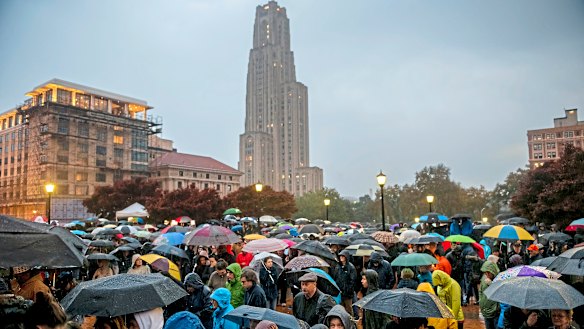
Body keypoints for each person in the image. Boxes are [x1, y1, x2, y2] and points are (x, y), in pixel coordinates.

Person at [331, 250, 358, 316]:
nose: (341, 258)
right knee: (340, 308)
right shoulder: (338, 267)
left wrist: (347, 290)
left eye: (343, 256)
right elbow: (336, 277)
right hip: (339, 292)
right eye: (340, 256)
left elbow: (352, 281)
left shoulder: (351, 267)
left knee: (348, 309)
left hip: (347, 293)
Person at [479, 257, 500, 329]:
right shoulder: (484, 278)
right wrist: (480, 302)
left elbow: (500, 294)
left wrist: (491, 284)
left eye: (488, 272)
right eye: (485, 273)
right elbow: (481, 291)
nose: (486, 274)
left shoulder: (499, 279)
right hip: (485, 312)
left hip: (495, 313)